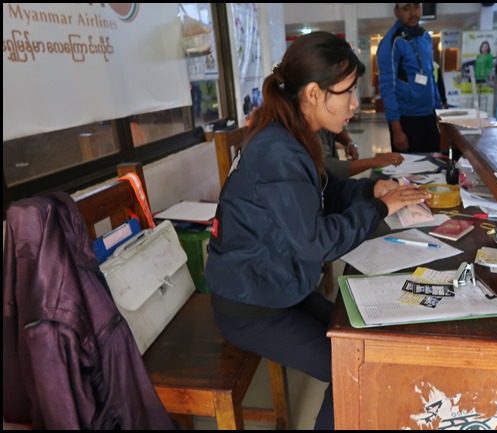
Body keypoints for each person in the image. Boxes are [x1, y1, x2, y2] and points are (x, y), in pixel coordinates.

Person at [204, 31, 429, 430]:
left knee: (360, 342)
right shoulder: (277, 150)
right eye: (348, 92)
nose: (355, 103)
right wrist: (379, 207)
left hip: (278, 286)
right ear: (312, 93)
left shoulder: (292, 133)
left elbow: (326, 190)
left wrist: (370, 189)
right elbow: (316, 243)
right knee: (352, 368)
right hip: (252, 303)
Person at [376, 3, 443, 154]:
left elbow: (431, 77)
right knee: (409, 168)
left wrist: (439, 111)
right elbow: (387, 87)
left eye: (416, 7)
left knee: (434, 164)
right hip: (406, 120)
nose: (413, 13)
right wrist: (396, 129)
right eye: (406, 8)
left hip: (429, 117)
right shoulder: (391, 41)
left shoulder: (425, 36)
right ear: (396, 11)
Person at [317, 128, 404, 178]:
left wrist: (349, 143)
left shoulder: (327, 120)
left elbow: (337, 129)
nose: (354, 106)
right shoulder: (313, 131)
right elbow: (328, 168)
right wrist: (374, 161)